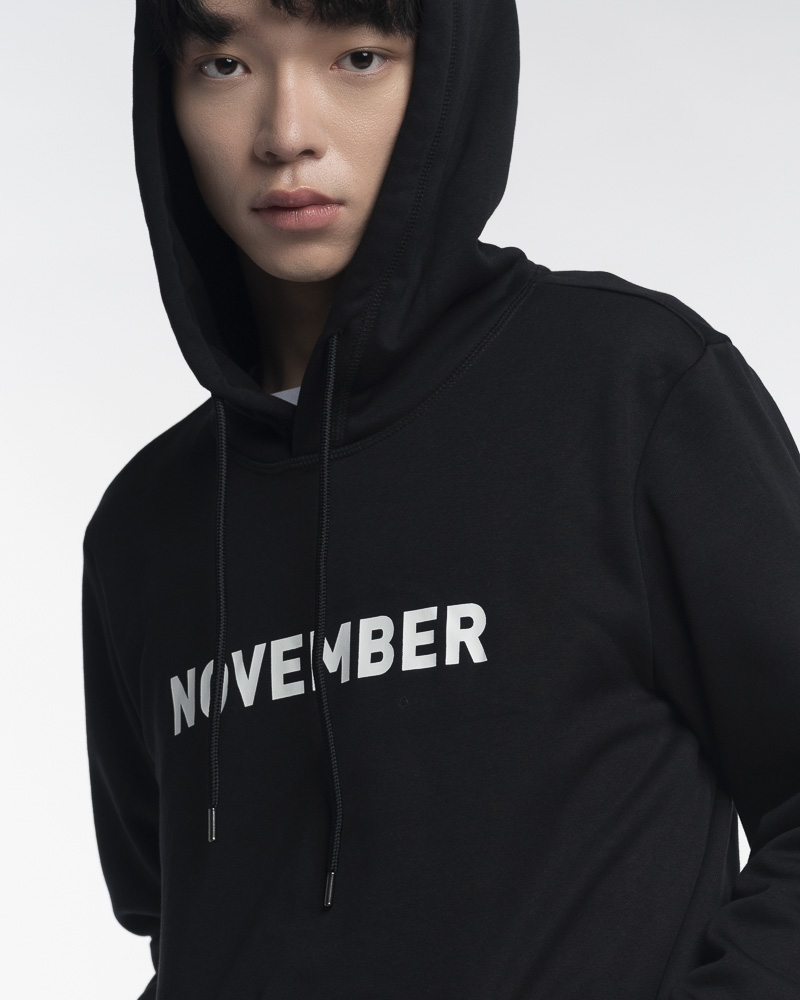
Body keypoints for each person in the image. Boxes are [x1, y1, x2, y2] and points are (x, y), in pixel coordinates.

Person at [81, 0, 800, 997]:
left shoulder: (626, 391)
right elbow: (176, 917)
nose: (285, 133)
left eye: (357, 57)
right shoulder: (143, 525)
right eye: (226, 66)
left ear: (451, 72)